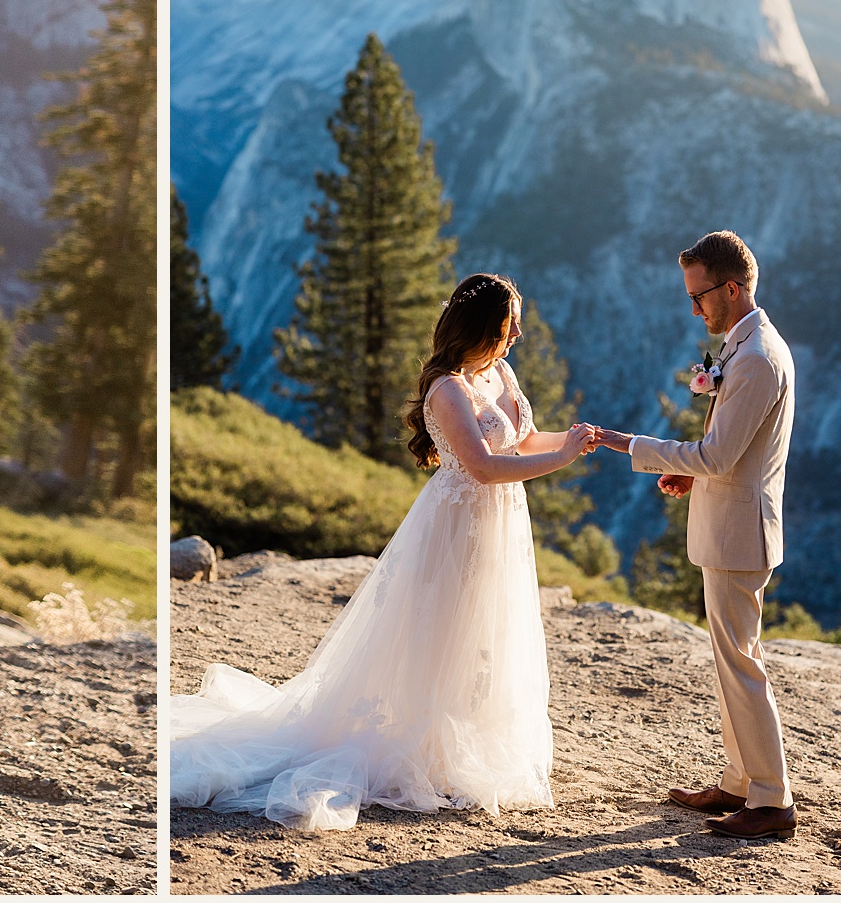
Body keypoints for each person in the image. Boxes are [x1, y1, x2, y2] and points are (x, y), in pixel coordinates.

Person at [166, 273, 594, 830]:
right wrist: (563, 461)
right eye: (510, 325)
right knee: (441, 631)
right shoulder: (447, 389)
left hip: (502, 525)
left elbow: (521, 441)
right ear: (484, 326)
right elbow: (484, 467)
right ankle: (420, 747)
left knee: (486, 633)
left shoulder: (500, 372)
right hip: (457, 522)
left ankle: (457, 742)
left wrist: (572, 440)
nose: (518, 335)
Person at [585, 230, 797, 840]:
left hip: (740, 533)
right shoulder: (744, 345)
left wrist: (632, 444)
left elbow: (720, 454)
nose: (695, 309)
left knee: (742, 662)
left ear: (731, 288)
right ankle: (740, 782)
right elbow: (729, 450)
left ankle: (771, 799)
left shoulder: (756, 357)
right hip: (729, 524)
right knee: (731, 659)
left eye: (700, 296)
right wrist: (689, 469)